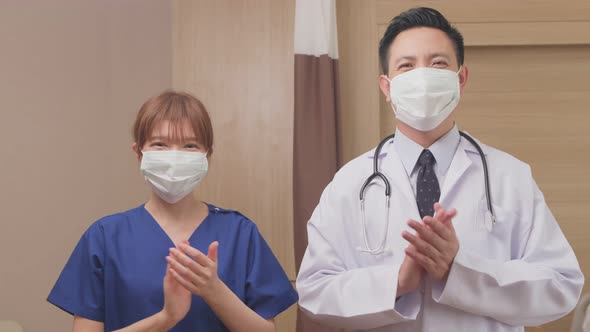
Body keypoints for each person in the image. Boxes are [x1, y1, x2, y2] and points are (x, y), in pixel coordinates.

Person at [296, 7, 584, 332]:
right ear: (387, 87)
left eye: (437, 63)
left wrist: (460, 272)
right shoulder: (349, 183)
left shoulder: (510, 177)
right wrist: (396, 283)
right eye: (406, 65)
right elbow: (314, 292)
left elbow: (561, 286)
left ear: (460, 79)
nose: (422, 76)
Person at [48, 91, 298, 331]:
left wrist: (214, 291)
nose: (174, 157)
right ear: (139, 153)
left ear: (207, 154)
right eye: (160, 144)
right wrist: (166, 319)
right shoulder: (104, 237)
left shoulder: (240, 233)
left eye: (190, 145)